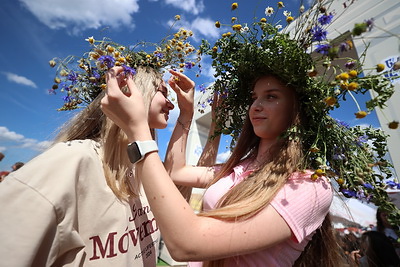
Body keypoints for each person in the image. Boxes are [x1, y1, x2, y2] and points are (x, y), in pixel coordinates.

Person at [101, 2, 398, 266]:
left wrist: (139, 132)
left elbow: (185, 243)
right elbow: (174, 171)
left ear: (298, 111)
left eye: (271, 96)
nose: (256, 104)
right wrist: (187, 115)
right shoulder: (240, 168)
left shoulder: (310, 187)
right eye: (254, 97)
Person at [0, 66, 174, 266]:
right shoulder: (70, 162)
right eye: (163, 92)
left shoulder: (142, 169)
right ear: (131, 90)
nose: (171, 104)